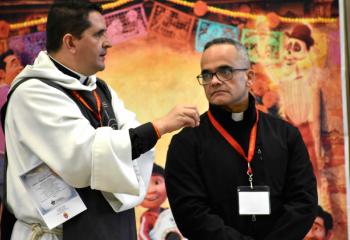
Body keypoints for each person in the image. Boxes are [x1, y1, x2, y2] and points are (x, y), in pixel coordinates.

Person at [2, 1, 199, 240]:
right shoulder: (33, 93)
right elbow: (84, 157)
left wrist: (145, 134)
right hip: (55, 233)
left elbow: (131, 140)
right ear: (70, 42)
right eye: (98, 34)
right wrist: (158, 127)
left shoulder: (100, 89)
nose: (109, 42)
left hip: (102, 229)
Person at [165, 38, 318, 240]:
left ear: (249, 77)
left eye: (225, 71)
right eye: (206, 74)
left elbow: (303, 202)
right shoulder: (186, 143)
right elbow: (191, 214)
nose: (215, 81)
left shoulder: (286, 135)